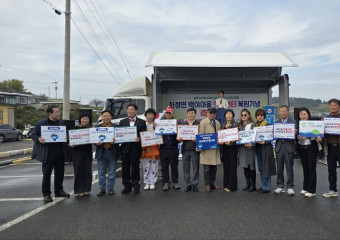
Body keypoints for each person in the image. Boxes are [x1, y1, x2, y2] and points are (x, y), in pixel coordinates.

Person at [31, 106, 70, 203]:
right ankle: (46, 194)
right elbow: (32, 134)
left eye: (58, 112)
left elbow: (64, 135)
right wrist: (38, 139)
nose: (58, 113)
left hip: (59, 152)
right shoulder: (41, 124)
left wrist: (65, 139)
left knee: (60, 173)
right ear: (50, 113)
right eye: (56, 112)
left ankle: (59, 191)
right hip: (48, 152)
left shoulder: (61, 123)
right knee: (47, 174)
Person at [119, 104, 146, 194]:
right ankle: (127, 186)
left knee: (135, 168)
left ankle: (136, 185)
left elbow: (144, 135)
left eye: (132, 109)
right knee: (125, 168)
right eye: (128, 110)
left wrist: (139, 138)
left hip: (135, 148)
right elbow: (118, 134)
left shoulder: (141, 122)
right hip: (125, 149)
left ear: (136, 111)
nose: (129, 111)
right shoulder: (122, 122)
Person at [296, 107, 322, 198]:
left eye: (304, 114)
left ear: (308, 115)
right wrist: (297, 136)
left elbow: (319, 135)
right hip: (302, 147)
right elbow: (296, 136)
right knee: (305, 168)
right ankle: (306, 187)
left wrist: (319, 138)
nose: (302, 116)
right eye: (301, 114)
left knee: (311, 168)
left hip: (311, 147)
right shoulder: (298, 125)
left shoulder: (314, 124)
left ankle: (312, 190)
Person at [94, 110, 119, 196]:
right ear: (102, 117)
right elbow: (94, 140)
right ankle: (102, 189)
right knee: (101, 173)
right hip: (102, 152)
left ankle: (110, 189)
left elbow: (120, 139)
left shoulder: (116, 127)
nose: (106, 117)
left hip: (112, 152)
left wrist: (115, 142)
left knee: (112, 172)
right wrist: (96, 143)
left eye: (108, 116)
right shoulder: (97, 127)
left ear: (111, 117)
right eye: (105, 116)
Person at [274, 105, 297, 196]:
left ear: (288, 112)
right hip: (279, 146)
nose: (282, 113)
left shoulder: (293, 122)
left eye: (284, 111)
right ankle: (280, 185)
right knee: (279, 168)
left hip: (289, 146)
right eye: (280, 111)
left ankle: (290, 186)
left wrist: (295, 133)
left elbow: (298, 135)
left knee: (289, 168)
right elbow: (273, 136)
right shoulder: (276, 122)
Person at [199, 107, 222, 192]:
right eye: (210, 113)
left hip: (215, 149)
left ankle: (212, 183)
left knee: (214, 168)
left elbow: (220, 135)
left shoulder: (217, 123)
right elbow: (201, 135)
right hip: (206, 149)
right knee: (206, 168)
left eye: (214, 113)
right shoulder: (203, 122)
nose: (212, 114)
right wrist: (200, 146)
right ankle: (207, 184)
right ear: (207, 113)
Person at [70, 113, 93, 197]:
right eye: (83, 118)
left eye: (87, 118)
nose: (85, 120)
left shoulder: (91, 129)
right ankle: (79, 189)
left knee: (87, 171)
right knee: (78, 171)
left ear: (89, 120)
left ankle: (87, 189)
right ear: (80, 120)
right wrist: (70, 144)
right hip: (77, 152)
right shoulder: (74, 129)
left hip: (88, 152)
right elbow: (69, 140)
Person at [254, 109, 276, 194]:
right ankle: (263, 185)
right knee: (260, 168)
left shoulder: (268, 125)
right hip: (258, 148)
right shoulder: (255, 125)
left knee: (266, 168)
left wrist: (265, 141)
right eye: (258, 115)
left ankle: (266, 187)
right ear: (256, 116)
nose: (259, 116)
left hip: (266, 148)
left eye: (261, 115)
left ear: (264, 116)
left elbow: (272, 136)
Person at [178, 108, 200, 192]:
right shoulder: (183, 124)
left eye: (192, 113)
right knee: (186, 168)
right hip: (185, 149)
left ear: (195, 114)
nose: (190, 115)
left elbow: (201, 137)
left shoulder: (198, 124)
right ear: (187, 115)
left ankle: (195, 184)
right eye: (189, 113)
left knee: (195, 168)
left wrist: (197, 139)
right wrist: (179, 139)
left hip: (195, 149)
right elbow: (179, 139)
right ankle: (188, 184)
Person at [159, 106, 180, 191]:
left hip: (173, 147)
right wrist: (155, 126)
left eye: (170, 113)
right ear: (165, 114)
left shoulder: (177, 123)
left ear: (172, 114)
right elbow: (155, 133)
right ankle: (165, 182)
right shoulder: (160, 123)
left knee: (174, 166)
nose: (168, 114)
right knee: (164, 166)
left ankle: (175, 181)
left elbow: (180, 134)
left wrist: (178, 129)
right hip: (163, 147)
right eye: (167, 113)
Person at [323, 98, 340, 198]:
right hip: (329, 147)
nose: (332, 107)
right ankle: (332, 189)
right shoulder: (326, 119)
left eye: (335, 105)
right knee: (331, 170)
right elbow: (321, 133)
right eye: (331, 105)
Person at [238, 108, 256, 192]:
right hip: (242, 148)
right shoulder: (239, 126)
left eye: (245, 115)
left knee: (251, 166)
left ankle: (253, 185)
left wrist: (252, 144)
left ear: (249, 115)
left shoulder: (252, 125)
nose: (243, 116)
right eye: (242, 115)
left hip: (250, 148)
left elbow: (255, 136)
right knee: (245, 167)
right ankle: (247, 184)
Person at [141, 108, 160, 190]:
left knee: (154, 166)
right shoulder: (142, 125)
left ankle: (152, 182)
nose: (150, 116)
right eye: (148, 114)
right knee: (146, 166)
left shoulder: (157, 125)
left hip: (155, 147)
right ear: (146, 116)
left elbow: (160, 135)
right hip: (145, 148)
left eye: (151, 114)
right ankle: (146, 182)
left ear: (154, 116)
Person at [222, 109, 239, 192]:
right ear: (225, 116)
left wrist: (231, 143)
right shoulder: (223, 125)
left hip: (232, 148)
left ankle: (232, 186)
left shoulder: (235, 124)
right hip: (224, 148)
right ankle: (226, 184)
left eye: (230, 114)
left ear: (233, 116)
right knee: (226, 166)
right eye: (227, 114)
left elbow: (237, 137)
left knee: (232, 166)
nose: (228, 115)